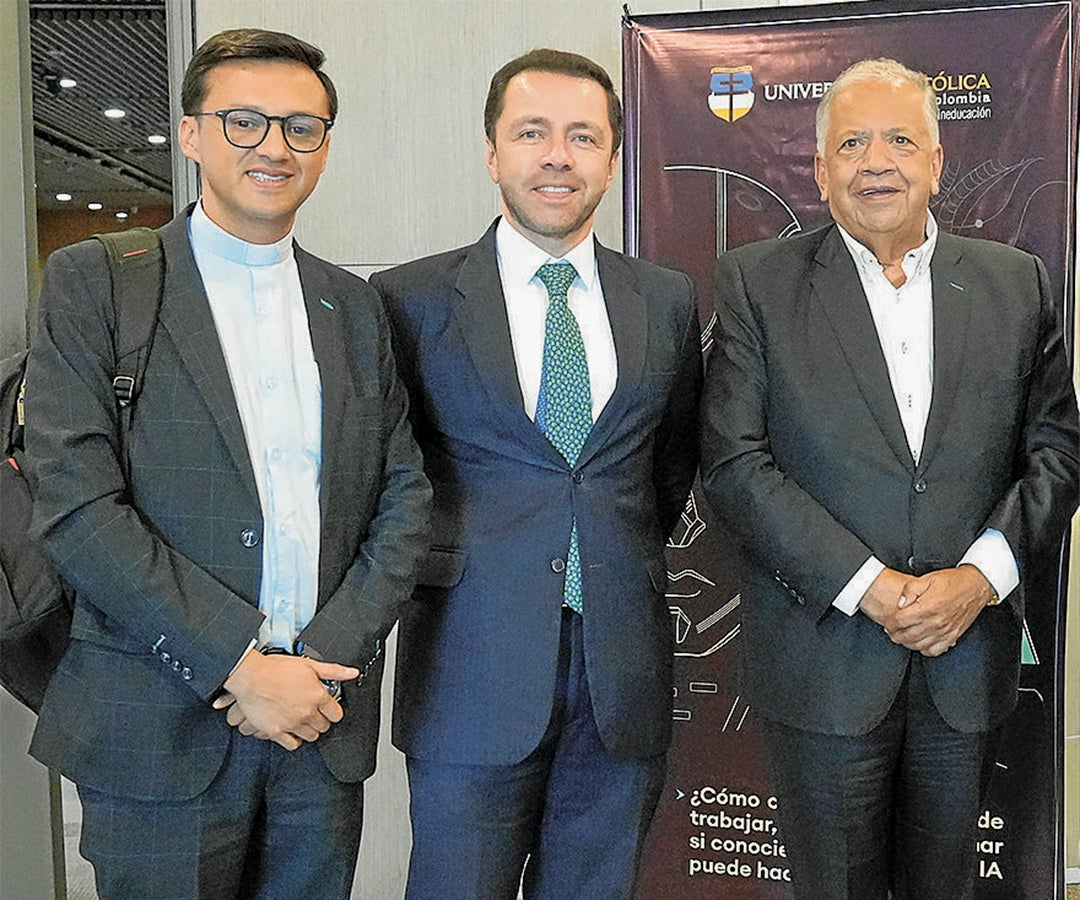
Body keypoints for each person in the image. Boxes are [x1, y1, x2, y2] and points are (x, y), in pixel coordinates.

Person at [24, 27, 431, 899]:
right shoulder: (99, 282)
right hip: (156, 722)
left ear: (324, 146)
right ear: (193, 133)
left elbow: (404, 496)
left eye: (301, 127)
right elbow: (75, 505)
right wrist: (239, 665)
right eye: (243, 122)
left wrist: (321, 658)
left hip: (319, 723)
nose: (273, 147)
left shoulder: (354, 306)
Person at [700, 57, 1079, 899]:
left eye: (900, 140)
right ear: (822, 169)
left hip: (965, 663)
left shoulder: (1016, 284)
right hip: (823, 663)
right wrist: (868, 585)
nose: (877, 162)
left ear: (937, 162)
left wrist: (979, 580)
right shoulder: (757, 284)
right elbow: (733, 464)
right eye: (852, 143)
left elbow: (1057, 450)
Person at [371, 48, 702, 900]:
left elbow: (665, 472)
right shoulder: (410, 301)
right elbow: (388, 477)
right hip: (470, 670)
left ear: (613, 160)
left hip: (619, 676)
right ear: (492, 153)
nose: (558, 155)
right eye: (532, 132)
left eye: (583, 136)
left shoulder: (664, 301)